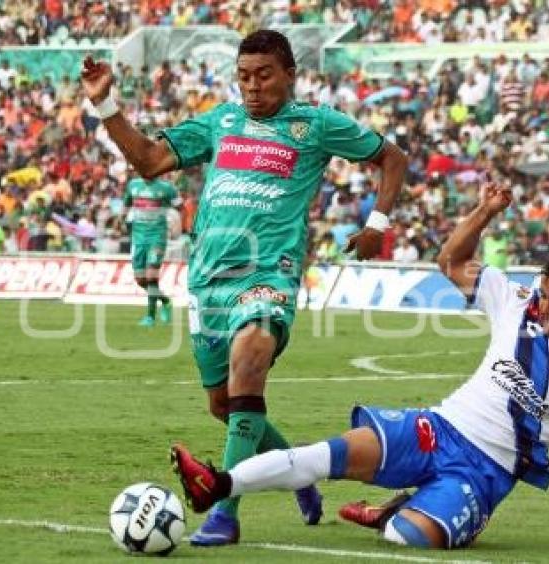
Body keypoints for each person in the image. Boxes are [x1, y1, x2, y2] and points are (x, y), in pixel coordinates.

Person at [171, 183, 549, 551]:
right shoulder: (516, 300)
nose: (544, 308)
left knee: (409, 538)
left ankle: (393, 513)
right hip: (437, 427)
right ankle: (218, 484)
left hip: (485, 473)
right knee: (323, 456)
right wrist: (485, 212)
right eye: (544, 295)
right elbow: (450, 260)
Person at [81, 29, 407, 545]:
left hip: (268, 276)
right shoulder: (221, 121)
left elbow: (393, 157)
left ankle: (224, 512)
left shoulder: (314, 126)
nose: (253, 87)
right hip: (209, 280)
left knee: (251, 359)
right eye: (244, 77)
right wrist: (106, 105)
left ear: (290, 75)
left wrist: (379, 224)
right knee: (224, 406)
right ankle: (296, 471)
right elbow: (146, 160)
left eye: (264, 75)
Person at [122, 173, 180, 326]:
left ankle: (150, 317)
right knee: (140, 279)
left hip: (157, 237)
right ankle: (165, 300)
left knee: (151, 277)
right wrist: (121, 222)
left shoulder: (167, 188)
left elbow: (181, 207)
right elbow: (126, 206)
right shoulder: (133, 185)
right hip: (138, 238)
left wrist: (178, 226)